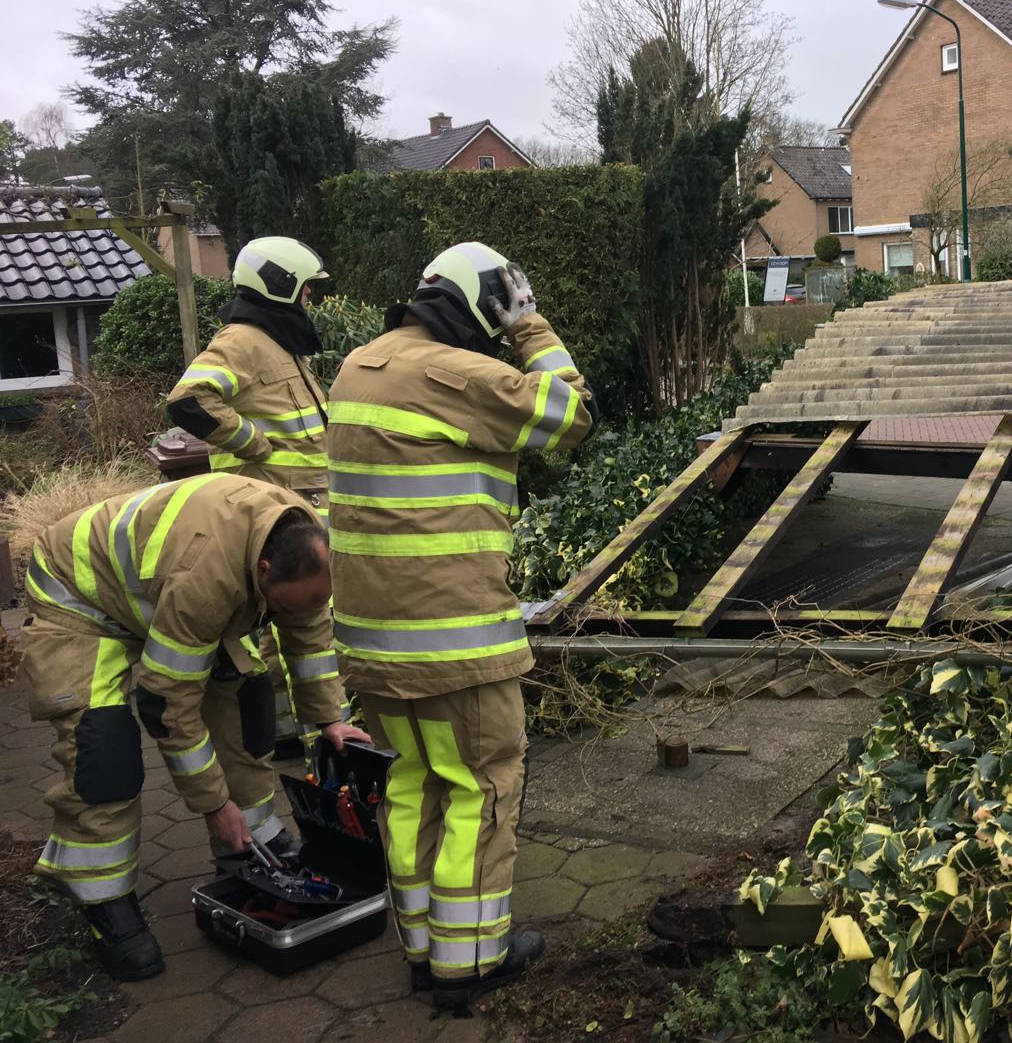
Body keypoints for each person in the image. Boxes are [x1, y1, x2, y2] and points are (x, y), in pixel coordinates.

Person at [326, 242, 592, 1009]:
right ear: (486, 306)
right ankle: (470, 963)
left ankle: (423, 949)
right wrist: (529, 326)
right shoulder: (463, 375)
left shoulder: (357, 367)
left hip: (373, 643)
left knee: (411, 784)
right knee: (480, 786)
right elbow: (573, 415)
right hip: (456, 643)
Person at [21, 474, 371, 980]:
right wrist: (212, 803)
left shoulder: (303, 541)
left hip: (169, 592)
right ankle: (104, 900)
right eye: (276, 609)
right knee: (104, 751)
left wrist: (330, 719)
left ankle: (251, 842)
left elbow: (308, 631)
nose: (279, 618)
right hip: (81, 601)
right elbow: (165, 702)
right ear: (263, 571)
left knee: (246, 702)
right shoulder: (205, 579)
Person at [165, 235, 348, 753]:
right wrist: (255, 444)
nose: (310, 297)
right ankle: (281, 736)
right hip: (269, 512)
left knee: (301, 619)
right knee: (277, 626)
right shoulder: (243, 340)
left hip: (299, 508)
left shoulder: (278, 342)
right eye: (306, 287)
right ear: (280, 284)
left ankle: (301, 730)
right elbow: (188, 400)